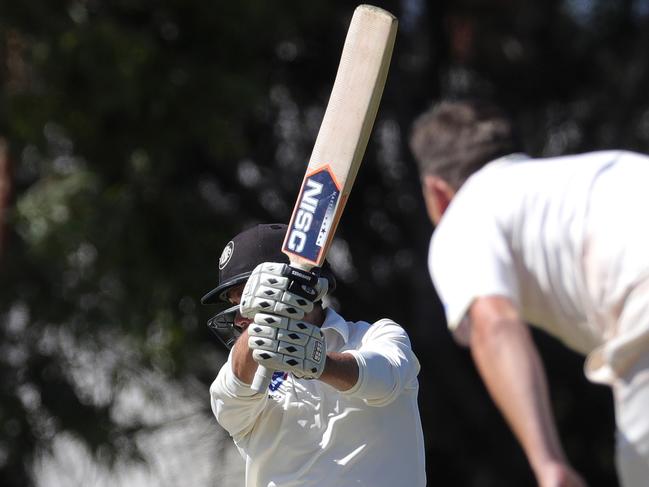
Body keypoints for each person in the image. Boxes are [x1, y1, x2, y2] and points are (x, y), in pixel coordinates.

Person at [409, 99, 649, 487]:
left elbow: (494, 324)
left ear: (437, 192)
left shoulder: (463, 217)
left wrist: (548, 463)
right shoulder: (578, 177)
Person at [202, 223, 426, 487]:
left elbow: (385, 380)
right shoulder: (241, 377)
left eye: (247, 296)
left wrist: (318, 361)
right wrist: (263, 328)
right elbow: (230, 400)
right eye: (235, 303)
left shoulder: (377, 336)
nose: (240, 317)